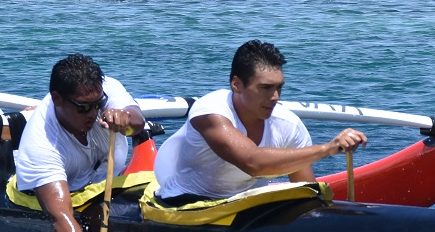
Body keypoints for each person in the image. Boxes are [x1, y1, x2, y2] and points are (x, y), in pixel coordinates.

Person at [154, 40, 367, 204]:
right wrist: (329, 148)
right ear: (236, 84)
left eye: (279, 88)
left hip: (244, 205)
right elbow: (252, 163)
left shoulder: (288, 124)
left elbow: (305, 189)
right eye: (265, 88)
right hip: (185, 202)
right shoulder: (211, 111)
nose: (275, 97)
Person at [13, 53, 144, 232]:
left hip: (100, 187)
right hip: (59, 193)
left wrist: (126, 117)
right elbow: (60, 215)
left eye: (98, 104)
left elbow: (138, 122)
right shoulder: (41, 146)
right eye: (83, 107)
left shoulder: (105, 87)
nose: (93, 113)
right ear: (57, 99)